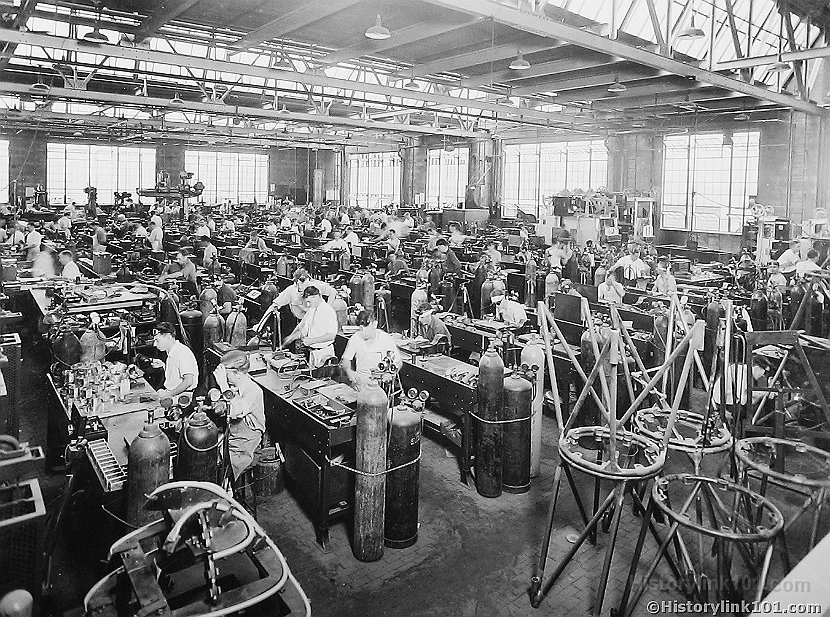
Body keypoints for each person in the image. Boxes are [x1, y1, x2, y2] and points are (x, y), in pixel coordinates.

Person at [213, 350, 265, 481]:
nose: (224, 377)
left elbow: (235, 410)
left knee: (219, 470)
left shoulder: (254, 391)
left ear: (238, 373)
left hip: (248, 445)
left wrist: (223, 385)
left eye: (226, 374)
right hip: (233, 437)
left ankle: (226, 493)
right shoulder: (235, 387)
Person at [341, 309, 402, 389]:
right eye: (361, 328)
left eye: (366, 327)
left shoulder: (385, 338)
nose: (363, 331)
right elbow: (346, 359)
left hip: (380, 384)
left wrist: (390, 374)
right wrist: (349, 371)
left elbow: (398, 362)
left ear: (374, 324)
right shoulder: (355, 338)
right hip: (361, 383)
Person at [281, 286, 338, 368]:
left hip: (324, 354)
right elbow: (302, 327)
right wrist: (291, 337)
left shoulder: (328, 311)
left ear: (315, 297)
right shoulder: (312, 309)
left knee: (322, 379)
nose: (307, 304)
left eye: (309, 301)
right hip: (313, 353)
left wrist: (311, 341)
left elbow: (331, 336)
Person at [150, 321, 199, 401]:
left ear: (168, 337)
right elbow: (176, 375)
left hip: (182, 397)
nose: (155, 344)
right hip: (172, 393)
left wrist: (169, 394)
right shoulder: (172, 351)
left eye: (157, 340)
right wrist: (164, 365)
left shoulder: (182, 352)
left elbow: (188, 381)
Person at [272, 268, 336, 320]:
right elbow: (277, 303)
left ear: (308, 280)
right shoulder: (291, 290)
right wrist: (275, 308)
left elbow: (333, 292)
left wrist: (327, 308)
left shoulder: (316, 286)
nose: (300, 286)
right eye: (298, 283)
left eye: (303, 283)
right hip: (300, 321)